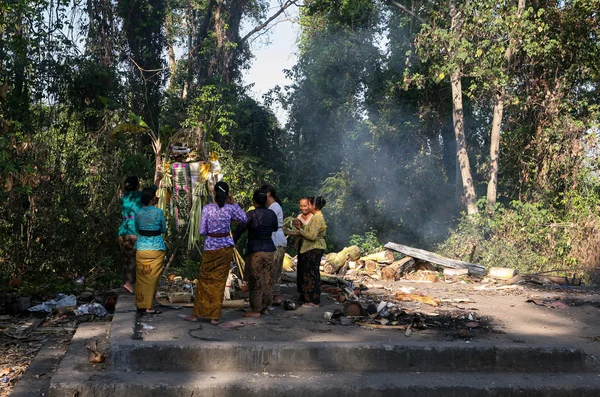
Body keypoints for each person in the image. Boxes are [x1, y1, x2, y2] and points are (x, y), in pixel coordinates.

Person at [184, 181, 247, 324]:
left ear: (214, 193)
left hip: (211, 247)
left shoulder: (207, 209)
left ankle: (196, 314)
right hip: (225, 248)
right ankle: (215, 317)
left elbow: (202, 231)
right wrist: (234, 202)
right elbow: (244, 218)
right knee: (219, 282)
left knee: (204, 281)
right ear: (227, 194)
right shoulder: (230, 209)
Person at [234, 189, 278, 318]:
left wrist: (234, 240)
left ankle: (256, 309)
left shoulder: (251, 214)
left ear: (254, 201)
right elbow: (275, 228)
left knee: (256, 280)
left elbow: (240, 229)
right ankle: (265, 307)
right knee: (268, 279)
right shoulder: (272, 214)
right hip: (270, 249)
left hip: (255, 250)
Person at [118, 174, 161, 294]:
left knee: (127, 260)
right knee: (139, 260)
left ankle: (128, 284)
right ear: (137, 186)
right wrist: (158, 180)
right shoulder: (139, 196)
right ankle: (131, 284)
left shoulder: (123, 198)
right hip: (135, 232)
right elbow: (152, 191)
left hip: (123, 233)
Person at [134, 187, 167, 314]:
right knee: (153, 278)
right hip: (156, 248)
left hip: (141, 248)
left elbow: (137, 229)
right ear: (153, 198)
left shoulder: (137, 213)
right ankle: (149, 306)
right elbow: (163, 229)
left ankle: (141, 303)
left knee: (142, 277)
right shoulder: (158, 212)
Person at [293, 196, 327, 307]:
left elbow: (312, 236)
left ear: (313, 206)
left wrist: (300, 230)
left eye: (309, 204)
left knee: (312, 275)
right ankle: (309, 299)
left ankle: (314, 301)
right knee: (310, 274)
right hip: (310, 248)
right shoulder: (317, 216)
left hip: (313, 248)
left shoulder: (317, 218)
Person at [260, 184, 287, 305]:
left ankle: (275, 296)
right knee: (272, 269)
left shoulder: (274, 207)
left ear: (268, 194)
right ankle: (271, 295)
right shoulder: (271, 207)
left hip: (276, 240)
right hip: (274, 239)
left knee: (275, 269)